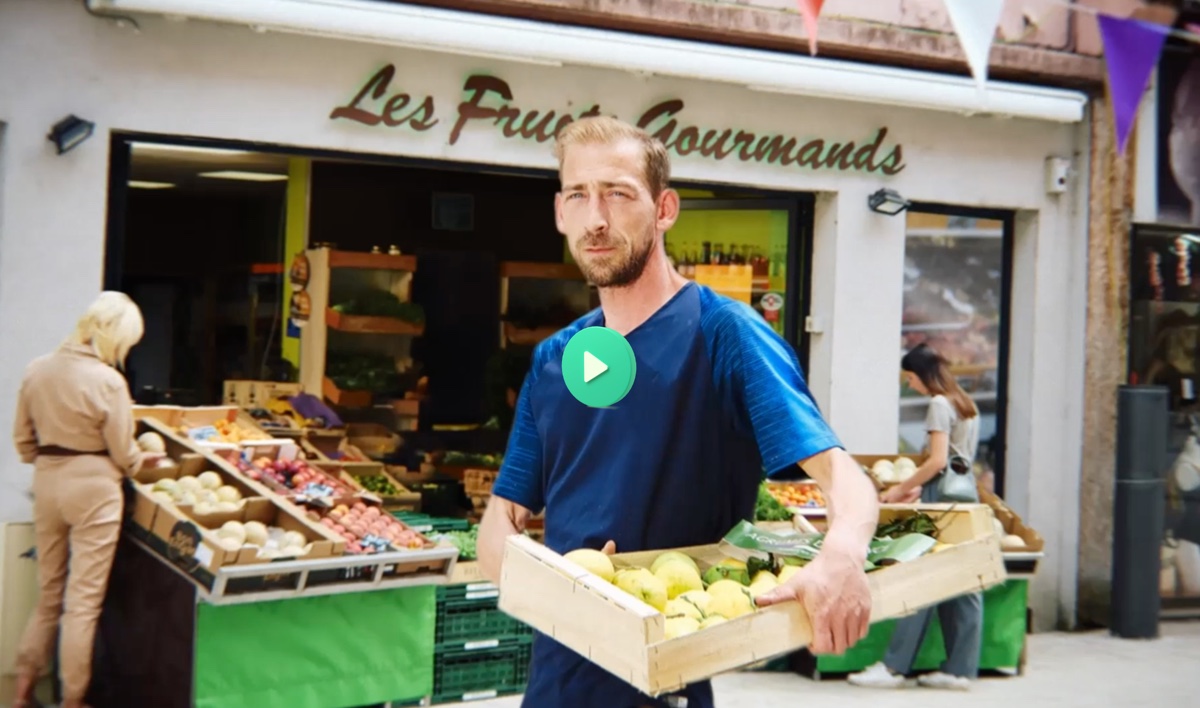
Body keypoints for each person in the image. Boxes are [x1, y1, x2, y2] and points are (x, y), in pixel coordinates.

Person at [477, 116, 879, 708]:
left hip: (668, 684)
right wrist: (558, 590)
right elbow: (498, 524)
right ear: (559, 214)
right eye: (578, 196)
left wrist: (843, 554)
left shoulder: (725, 335)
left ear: (664, 209)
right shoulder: (554, 361)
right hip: (555, 686)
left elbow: (847, 481)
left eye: (618, 194)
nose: (596, 219)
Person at [11, 291, 162, 708]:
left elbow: (23, 442)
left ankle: (22, 690)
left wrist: (50, 460)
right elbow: (124, 454)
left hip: (48, 482)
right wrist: (144, 459)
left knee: (48, 594)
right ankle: (73, 701)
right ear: (115, 336)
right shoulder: (109, 381)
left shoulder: (37, 370)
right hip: (95, 489)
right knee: (82, 604)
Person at [849, 342, 982, 691]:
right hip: (965, 496)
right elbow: (955, 462)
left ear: (921, 375)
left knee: (924, 578)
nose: (910, 385)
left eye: (910, 377)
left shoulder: (939, 404)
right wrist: (917, 489)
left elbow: (937, 461)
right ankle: (959, 669)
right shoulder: (965, 403)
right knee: (964, 582)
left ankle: (893, 667)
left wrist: (897, 490)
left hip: (941, 500)